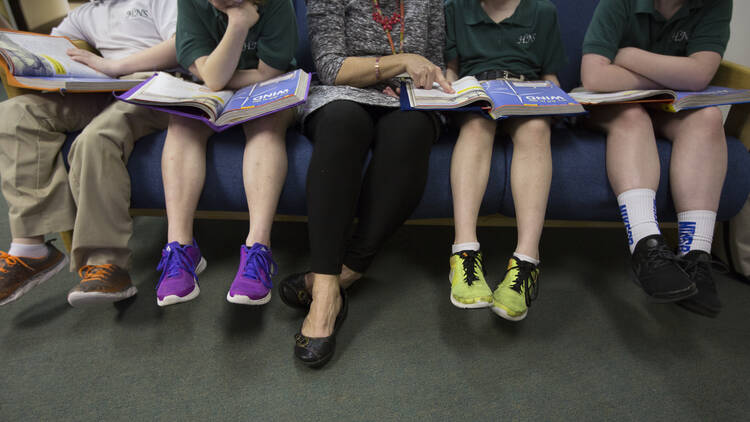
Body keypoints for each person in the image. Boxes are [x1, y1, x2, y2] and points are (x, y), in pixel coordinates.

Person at [278, 0, 450, 367]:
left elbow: (430, 63)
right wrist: (400, 61)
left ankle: (347, 271)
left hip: (407, 99)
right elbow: (330, 67)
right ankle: (325, 291)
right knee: (342, 123)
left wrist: (412, 75)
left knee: (412, 130)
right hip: (342, 95)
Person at [0, 0, 179, 307]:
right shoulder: (85, 14)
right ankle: (30, 248)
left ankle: (108, 264)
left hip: (157, 88)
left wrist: (118, 66)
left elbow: (182, 46)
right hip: (105, 89)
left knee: (95, 139)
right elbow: (53, 49)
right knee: (13, 114)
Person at [580, 0, 732, 317]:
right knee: (633, 117)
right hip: (612, 104)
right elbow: (595, 76)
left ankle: (695, 255)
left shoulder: (716, 3)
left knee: (707, 119)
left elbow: (699, 75)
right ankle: (646, 247)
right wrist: (675, 75)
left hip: (670, 108)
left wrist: (629, 57)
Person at [154, 0, 297, 307]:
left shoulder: (275, 4)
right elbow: (212, 79)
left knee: (267, 125)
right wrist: (238, 24)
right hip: (211, 92)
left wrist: (215, 74)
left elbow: (268, 72)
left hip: (268, 89)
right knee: (181, 123)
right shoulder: (191, 4)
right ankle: (180, 247)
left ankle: (258, 247)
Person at [443, 0, 566, 321]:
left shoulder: (542, 12)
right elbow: (452, 68)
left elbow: (550, 75)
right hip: (476, 92)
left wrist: (554, 100)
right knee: (475, 126)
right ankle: (464, 251)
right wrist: (453, 90)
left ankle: (526, 261)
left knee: (537, 129)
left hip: (525, 91)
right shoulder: (456, 8)